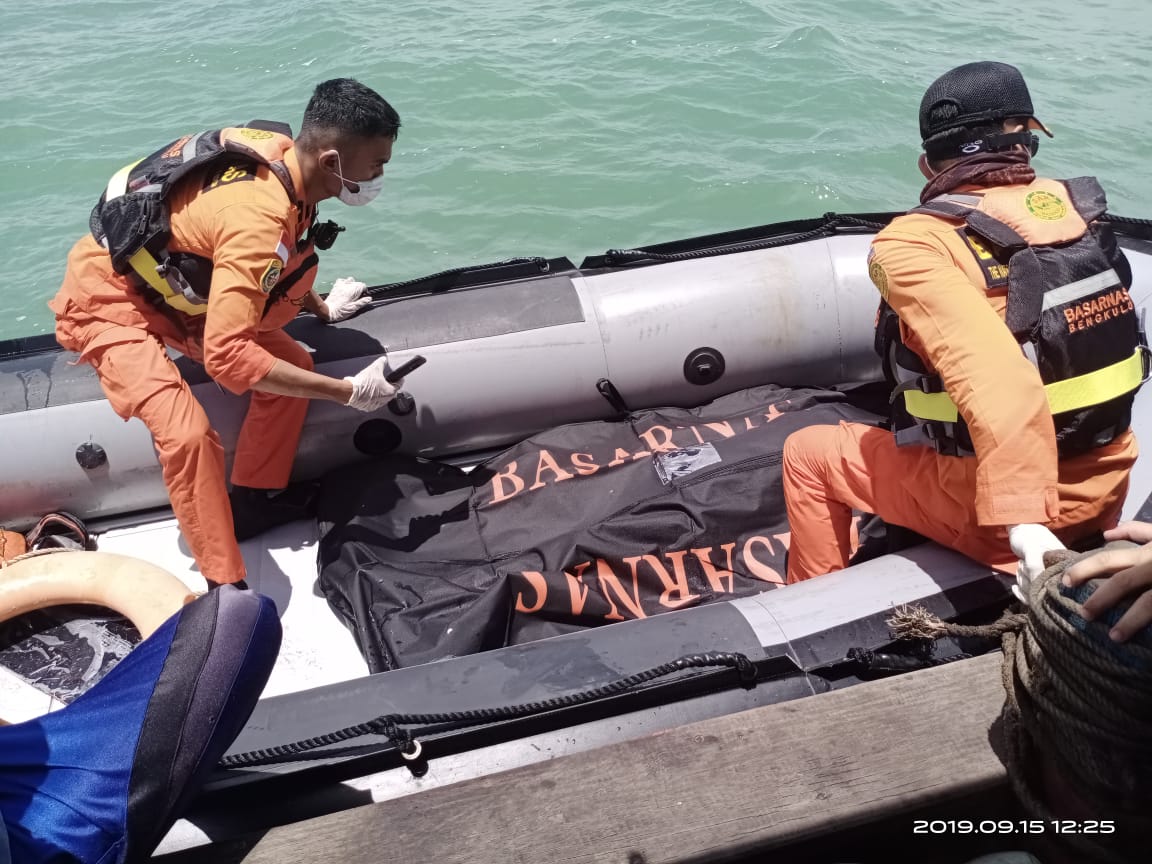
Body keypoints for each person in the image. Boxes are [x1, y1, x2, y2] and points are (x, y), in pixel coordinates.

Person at [782, 61, 1145, 587]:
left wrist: (1024, 522)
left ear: (928, 166)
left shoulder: (913, 243)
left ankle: (806, 607)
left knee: (808, 453)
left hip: (1009, 518)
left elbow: (998, 380)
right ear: (1028, 141)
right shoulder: (1075, 208)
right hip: (1110, 482)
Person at [49, 78, 406, 588]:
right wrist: (348, 393)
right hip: (111, 298)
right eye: (378, 163)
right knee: (188, 435)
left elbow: (286, 257)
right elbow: (228, 357)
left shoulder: (289, 166)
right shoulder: (256, 219)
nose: (379, 175)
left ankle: (255, 500)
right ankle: (225, 584)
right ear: (332, 162)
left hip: (182, 291)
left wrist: (323, 308)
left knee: (294, 367)